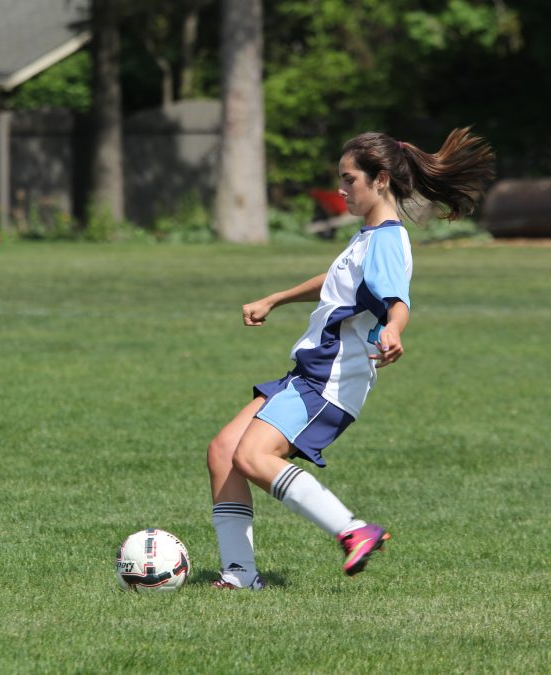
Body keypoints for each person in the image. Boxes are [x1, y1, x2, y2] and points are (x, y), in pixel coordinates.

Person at [207, 128, 495, 589]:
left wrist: (395, 329)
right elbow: (336, 280)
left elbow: (395, 299)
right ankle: (240, 574)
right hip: (310, 372)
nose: (341, 190)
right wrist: (277, 298)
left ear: (380, 179)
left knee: (253, 456)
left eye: (348, 180)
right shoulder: (370, 237)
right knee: (223, 452)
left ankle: (353, 529)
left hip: (330, 380)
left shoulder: (384, 241)